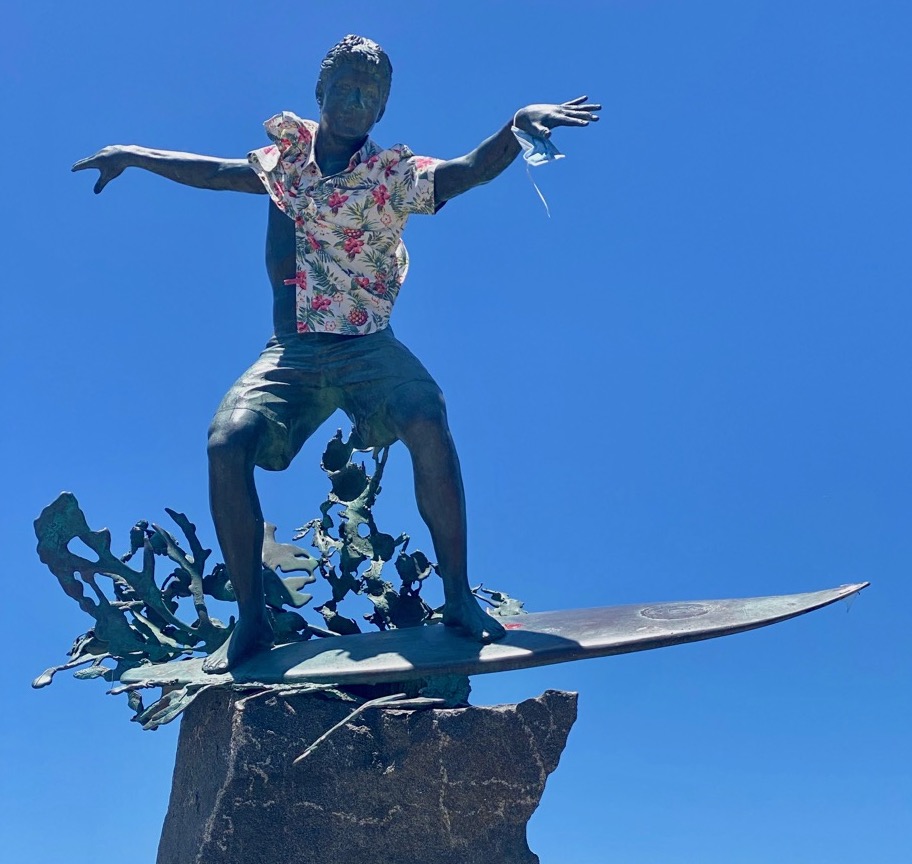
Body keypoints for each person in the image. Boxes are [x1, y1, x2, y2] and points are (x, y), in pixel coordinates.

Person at [73, 35, 600, 673]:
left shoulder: (393, 176)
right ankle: (252, 619)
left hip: (368, 345)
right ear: (320, 92)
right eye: (346, 87)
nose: (355, 101)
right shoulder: (285, 165)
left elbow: (465, 172)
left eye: (369, 94)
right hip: (294, 350)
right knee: (225, 442)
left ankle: (458, 597)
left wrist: (515, 128)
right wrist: (133, 155)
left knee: (426, 414)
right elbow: (212, 173)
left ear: (382, 110)